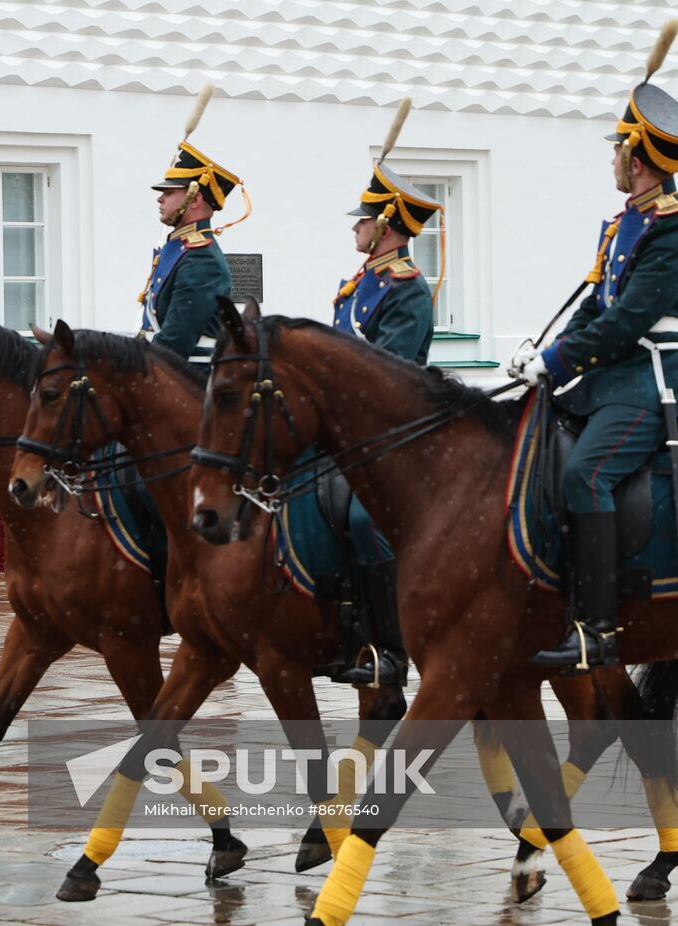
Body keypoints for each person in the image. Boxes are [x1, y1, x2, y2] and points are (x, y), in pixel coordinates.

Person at [514, 26, 678, 672]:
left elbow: (625, 325)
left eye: (617, 148)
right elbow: (594, 305)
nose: (611, 158)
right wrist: (542, 354)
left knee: (587, 474)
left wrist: (559, 362)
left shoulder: (668, 232)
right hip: (610, 377)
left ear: (636, 158)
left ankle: (598, 628)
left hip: (648, 382)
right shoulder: (624, 224)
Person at [327, 99, 442, 688]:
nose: (355, 226)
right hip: (345, 427)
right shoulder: (361, 282)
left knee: (361, 514)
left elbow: (391, 373)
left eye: (363, 219)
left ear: (388, 225)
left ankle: (388, 651)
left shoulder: (407, 290)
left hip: (392, 429)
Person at [139, 140, 242, 362]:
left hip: (190, 379)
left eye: (169, 191)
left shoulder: (201, 259)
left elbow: (176, 341)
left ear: (194, 199)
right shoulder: (179, 248)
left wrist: (133, 364)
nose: (160, 198)